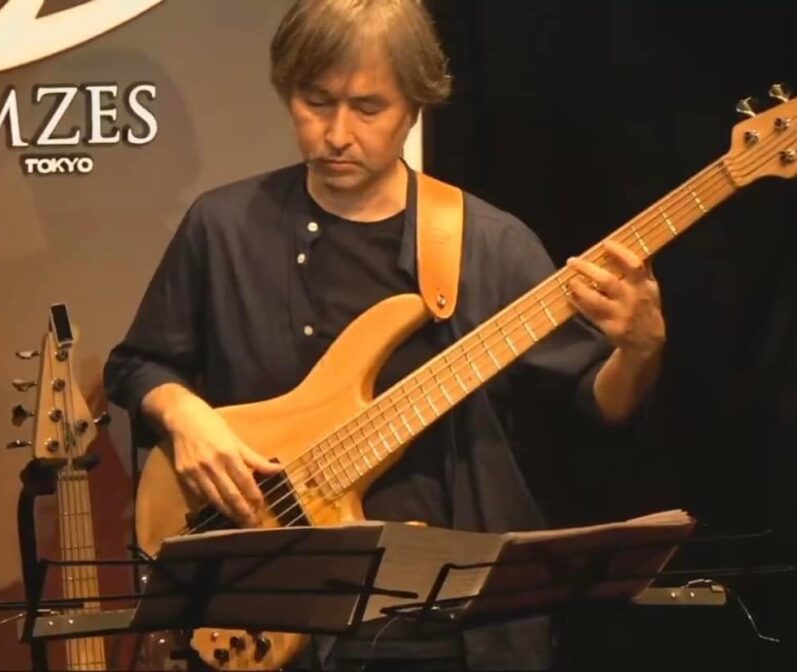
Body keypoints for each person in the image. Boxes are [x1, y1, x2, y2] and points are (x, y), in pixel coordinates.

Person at [104, 0, 665, 669]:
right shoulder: (222, 227)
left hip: (447, 636)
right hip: (268, 613)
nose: (337, 133)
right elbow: (137, 366)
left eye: (368, 108)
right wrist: (185, 417)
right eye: (316, 102)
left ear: (414, 107)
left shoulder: (491, 245)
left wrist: (640, 350)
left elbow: (593, 410)